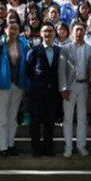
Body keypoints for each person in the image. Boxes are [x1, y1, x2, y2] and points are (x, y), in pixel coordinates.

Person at [0, 22, 29, 157]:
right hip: (2, 85)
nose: (13, 31)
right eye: (11, 28)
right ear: (5, 30)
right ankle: (3, 147)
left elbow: (27, 64)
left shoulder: (23, 45)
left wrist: (26, 83)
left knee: (13, 117)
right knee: (3, 117)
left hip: (18, 85)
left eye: (16, 29)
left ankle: (11, 144)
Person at [58, 22, 91, 157]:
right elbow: (61, 70)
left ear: (85, 32)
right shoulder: (65, 48)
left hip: (84, 85)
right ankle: (68, 146)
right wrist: (63, 88)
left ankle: (81, 145)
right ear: (72, 32)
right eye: (76, 30)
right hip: (70, 86)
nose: (79, 32)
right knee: (68, 118)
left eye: (81, 30)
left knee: (82, 117)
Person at [25, 22, 60, 157]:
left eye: (50, 31)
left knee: (50, 121)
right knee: (35, 121)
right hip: (37, 91)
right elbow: (28, 69)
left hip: (52, 91)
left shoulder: (58, 50)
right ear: (40, 33)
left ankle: (48, 147)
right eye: (45, 31)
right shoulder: (34, 50)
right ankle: (36, 148)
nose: (48, 34)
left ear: (54, 33)